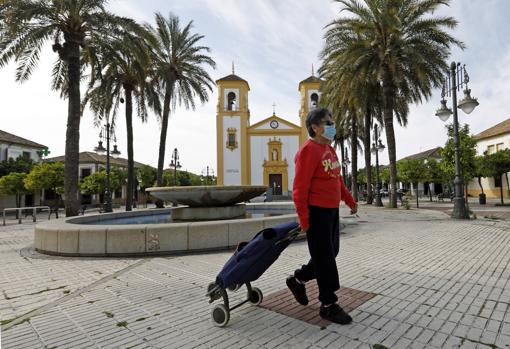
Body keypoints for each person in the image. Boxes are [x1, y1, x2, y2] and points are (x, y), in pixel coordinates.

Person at [287, 107, 357, 325]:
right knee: (325, 259)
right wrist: (304, 220)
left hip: (331, 211)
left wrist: (350, 200)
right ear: (315, 127)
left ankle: (298, 278)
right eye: (328, 123)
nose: (332, 126)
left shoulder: (329, 149)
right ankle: (328, 304)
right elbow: (299, 189)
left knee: (330, 252)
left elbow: (337, 180)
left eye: (332, 122)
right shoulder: (308, 151)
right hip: (316, 212)